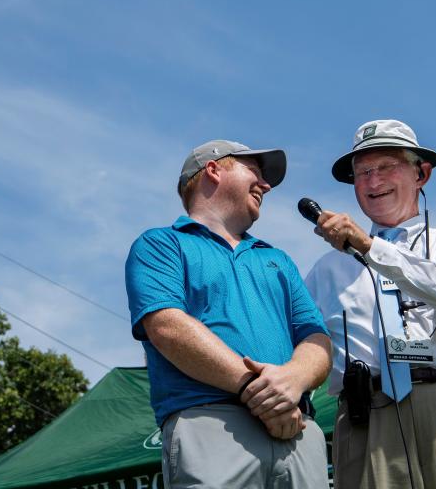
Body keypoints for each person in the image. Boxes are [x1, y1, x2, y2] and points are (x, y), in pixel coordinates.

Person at [304, 119, 436, 489]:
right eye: (362, 172)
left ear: (422, 173)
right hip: (364, 419)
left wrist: (373, 249)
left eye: (387, 167)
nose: (373, 181)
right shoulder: (324, 271)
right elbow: (301, 348)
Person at [125, 140, 332, 488]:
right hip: (211, 423)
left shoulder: (278, 259)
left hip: (296, 428)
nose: (266, 185)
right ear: (213, 169)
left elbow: (316, 337)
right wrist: (264, 391)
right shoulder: (161, 244)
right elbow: (166, 326)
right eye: (254, 170)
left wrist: (294, 380)